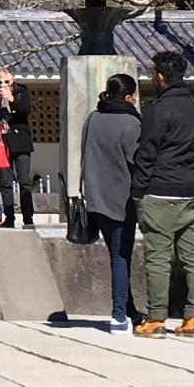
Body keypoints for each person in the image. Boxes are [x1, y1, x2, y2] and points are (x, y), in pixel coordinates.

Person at [128, 52, 194, 339]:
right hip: (189, 189)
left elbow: (147, 151)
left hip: (160, 189)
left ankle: (156, 318)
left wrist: (138, 188)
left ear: (160, 76)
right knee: (192, 257)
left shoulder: (157, 109)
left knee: (159, 258)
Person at [76, 73, 141, 332]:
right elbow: (137, 161)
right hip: (122, 199)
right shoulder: (131, 123)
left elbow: (85, 153)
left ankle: (131, 311)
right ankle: (118, 316)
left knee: (117, 255)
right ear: (129, 96)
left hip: (95, 196)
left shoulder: (92, 118)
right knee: (121, 257)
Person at [0, 72, 38, 229]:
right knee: (5, 182)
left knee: (24, 180)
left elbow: (26, 110)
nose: (3, 85)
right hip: (3, 141)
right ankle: (9, 216)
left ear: (12, 81)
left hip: (21, 141)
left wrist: (11, 98)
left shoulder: (21, 92)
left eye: (6, 81)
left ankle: (28, 217)